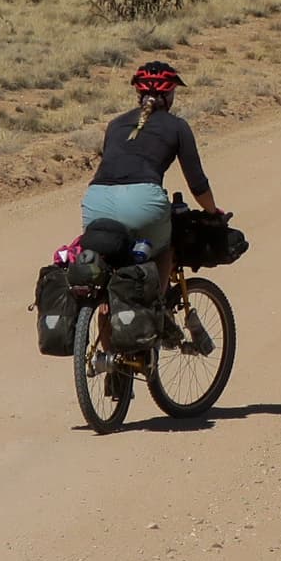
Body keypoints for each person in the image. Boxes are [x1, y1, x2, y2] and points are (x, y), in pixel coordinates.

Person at [83, 60, 222, 351]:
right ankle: (156, 310)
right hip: (143, 202)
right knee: (165, 247)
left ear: (137, 93)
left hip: (96, 200)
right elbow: (197, 183)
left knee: (109, 270)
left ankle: (111, 365)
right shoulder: (177, 127)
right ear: (170, 94)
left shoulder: (115, 124)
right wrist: (212, 212)